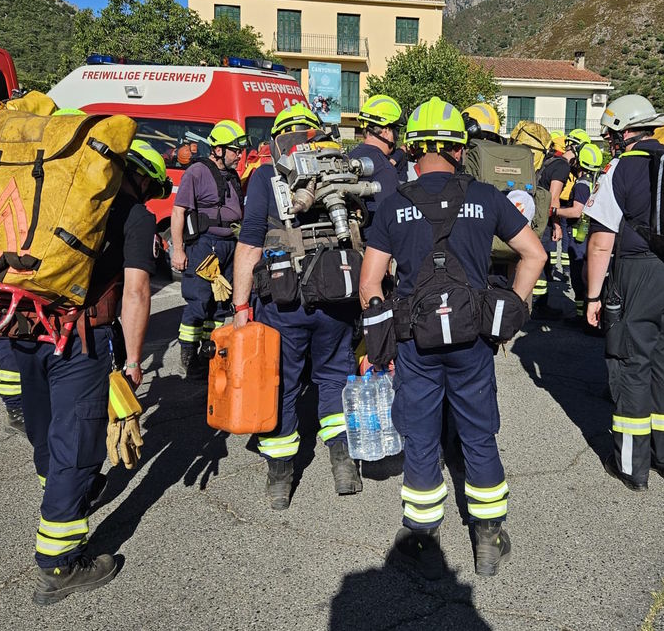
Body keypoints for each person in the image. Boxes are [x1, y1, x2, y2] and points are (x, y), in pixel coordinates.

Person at [358, 97, 546, 579]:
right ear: (460, 150)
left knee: (421, 438)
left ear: (413, 149)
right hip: (473, 341)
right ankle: (488, 539)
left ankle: (422, 537)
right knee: (479, 436)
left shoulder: (393, 204)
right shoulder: (486, 197)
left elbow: (369, 284)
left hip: (415, 345)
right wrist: (511, 309)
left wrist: (382, 337)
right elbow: (535, 255)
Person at [0, 139, 167, 605]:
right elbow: (136, 292)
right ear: (142, 178)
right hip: (78, 340)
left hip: (25, 331)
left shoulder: (57, 195)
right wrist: (133, 361)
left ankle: (66, 497)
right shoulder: (134, 215)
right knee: (77, 445)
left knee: (45, 429)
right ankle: (60, 564)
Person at [231, 103, 363, 510]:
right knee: (335, 377)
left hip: (285, 302)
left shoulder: (265, 177)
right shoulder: (341, 169)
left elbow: (250, 244)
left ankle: (280, 480)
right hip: (339, 296)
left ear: (277, 141)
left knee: (281, 384)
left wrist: (240, 305)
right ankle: (343, 465)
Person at [583, 95, 664, 491]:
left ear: (625, 131)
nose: (609, 142)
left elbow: (600, 243)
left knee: (633, 363)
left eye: (611, 134)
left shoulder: (621, 167)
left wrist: (593, 297)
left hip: (639, 272)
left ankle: (632, 466)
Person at [0, 107, 87, 436]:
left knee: (16, 334)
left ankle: (24, 406)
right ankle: (17, 407)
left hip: (13, 266)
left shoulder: (26, 165)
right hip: (24, 268)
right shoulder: (47, 171)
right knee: (16, 337)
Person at [170, 119, 247, 378]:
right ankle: (189, 359)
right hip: (205, 246)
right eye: (235, 150)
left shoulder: (232, 176)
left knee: (220, 303)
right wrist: (178, 250)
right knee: (199, 301)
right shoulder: (197, 172)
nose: (239, 155)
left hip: (228, 245)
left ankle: (209, 352)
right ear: (218, 149)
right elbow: (179, 211)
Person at [553, 142, 603, 323]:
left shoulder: (581, 184)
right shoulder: (595, 182)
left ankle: (581, 317)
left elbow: (576, 211)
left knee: (579, 276)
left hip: (578, 238)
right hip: (589, 234)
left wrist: (554, 211)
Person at [348, 94, 405, 222]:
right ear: (386, 131)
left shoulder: (349, 157)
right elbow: (391, 220)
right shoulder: (385, 169)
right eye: (396, 131)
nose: (396, 137)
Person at [533, 139, 573, 316]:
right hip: (544, 218)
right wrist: (557, 225)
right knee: (542, 259)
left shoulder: (549, 160)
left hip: (535, 214)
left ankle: (536, 303)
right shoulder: (563, 166)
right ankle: (538, 306)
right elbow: (554, 198)